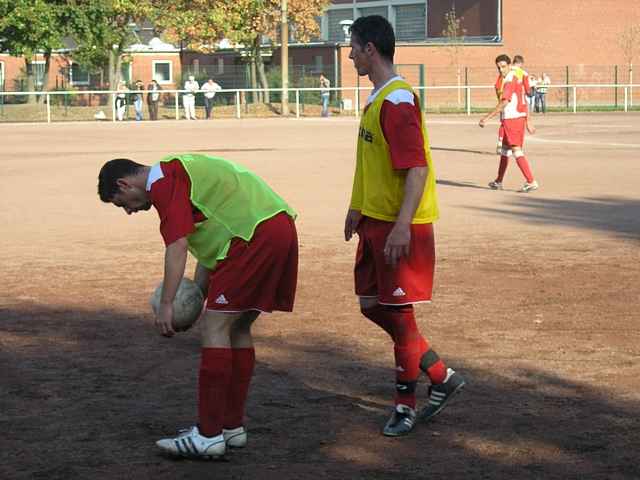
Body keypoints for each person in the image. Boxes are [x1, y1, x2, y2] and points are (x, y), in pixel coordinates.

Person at [97, 154, 298, 459]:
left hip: (252, 237)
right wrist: (198, 297)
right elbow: (211, 250)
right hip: (275, 228)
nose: (128, 211)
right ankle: (231, 428)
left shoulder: (164, 184)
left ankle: (208, 435)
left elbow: (177, 246)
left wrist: (167, 304)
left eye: (121, 202)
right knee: (238, 327)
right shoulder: (177, 174)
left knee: (215, 327)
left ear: (124, 184)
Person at [344, 15, 465, 438]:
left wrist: (400, 227)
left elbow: (416, 168)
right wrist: (356, 206)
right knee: (371, 305)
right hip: (375, 222)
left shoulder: (396, 100)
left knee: (398, 313)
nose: (350, 54)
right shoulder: (380, 98)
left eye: (353, 47)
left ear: (370, 50)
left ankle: (404, 404)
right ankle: (440, 373)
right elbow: (372, 165)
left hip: (400, 225)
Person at [479, 54, 539, 193]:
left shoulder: (510, 79)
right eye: (498, 67)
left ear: (509, 65)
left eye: (503, 66)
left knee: (516, 149)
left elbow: (505, 102)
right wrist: (527, 119)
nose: (501, 70)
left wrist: (487, 118)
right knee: (505, 150)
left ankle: (531, 181)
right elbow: (523, 99)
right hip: (513, 118)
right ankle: (499, 181)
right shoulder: (512, 77)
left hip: (513, 119)